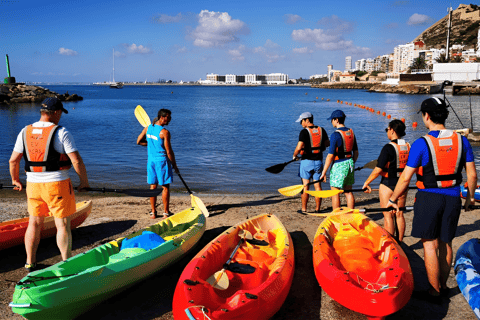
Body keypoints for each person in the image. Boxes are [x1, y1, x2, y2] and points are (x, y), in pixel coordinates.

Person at [387, 97, 477, 302]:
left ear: (426, 116)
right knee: (446, 243)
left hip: (428, 198)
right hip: (453, 197)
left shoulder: (421, 144)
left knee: (429, 245)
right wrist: (469, 199)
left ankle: (434, 291)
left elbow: (405, 178)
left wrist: (393, 199)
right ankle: (443, 286)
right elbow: (472, 176)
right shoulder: (462, 140)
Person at [9, 97, 90, 272]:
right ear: (56, 112)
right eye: (60, 113)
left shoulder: (24, 131)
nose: (61, 116)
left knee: (34, 224)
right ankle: (66, 263)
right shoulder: (62, 132)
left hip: (33, 185)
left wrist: (15, 180)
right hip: (57, 185)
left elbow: (13, 161)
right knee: (62, 225)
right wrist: (84, 182)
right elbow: (76, 161)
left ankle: (30, 262)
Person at [362, 120, 410, 242]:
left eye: (387, 130)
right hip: (402, 185)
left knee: (388, 215)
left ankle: (390, 243)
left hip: (388, 185)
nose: (387, 132)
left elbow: (378, 169)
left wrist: (367, 182)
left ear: (392, 130)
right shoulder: (408, 146)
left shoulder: (388, 148)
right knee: (399, 214)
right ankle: (400, 243)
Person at [137, 108, 179, 219]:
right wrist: (175, 165)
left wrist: (151, 144)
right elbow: (169, 151)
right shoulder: (164, 132)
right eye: (168, 117)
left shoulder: (147, 128)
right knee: (165, 187)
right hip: (162, 162)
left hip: (151, 161)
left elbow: (138, 141)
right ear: (162, 117)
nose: (170, 119)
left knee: (153, 186)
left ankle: (153, 213)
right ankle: (166, 213)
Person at [320, 110, 359, 209]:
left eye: (332, 120)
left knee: (335, 192)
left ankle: (337, 216)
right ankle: (350, 215)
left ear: (336, 120)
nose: (331, 122)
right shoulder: (351, 132)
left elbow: (330, 156)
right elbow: (356, 152)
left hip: (339, 164)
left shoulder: (335, 135)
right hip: (350, 163)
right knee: (348, 192)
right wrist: (352, 163)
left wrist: (323, 172)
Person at [293, 112, 330, 213]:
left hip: (306, 162)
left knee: (305, 185)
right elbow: (327, 144)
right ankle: (317, 209)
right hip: (318, 162)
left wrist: (294, 155)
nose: (301, 123)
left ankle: (304, 209)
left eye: (301, 121)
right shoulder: (322, 130)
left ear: (307, 120)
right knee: (317, 186)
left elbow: (299, 147)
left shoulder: (304, 132)